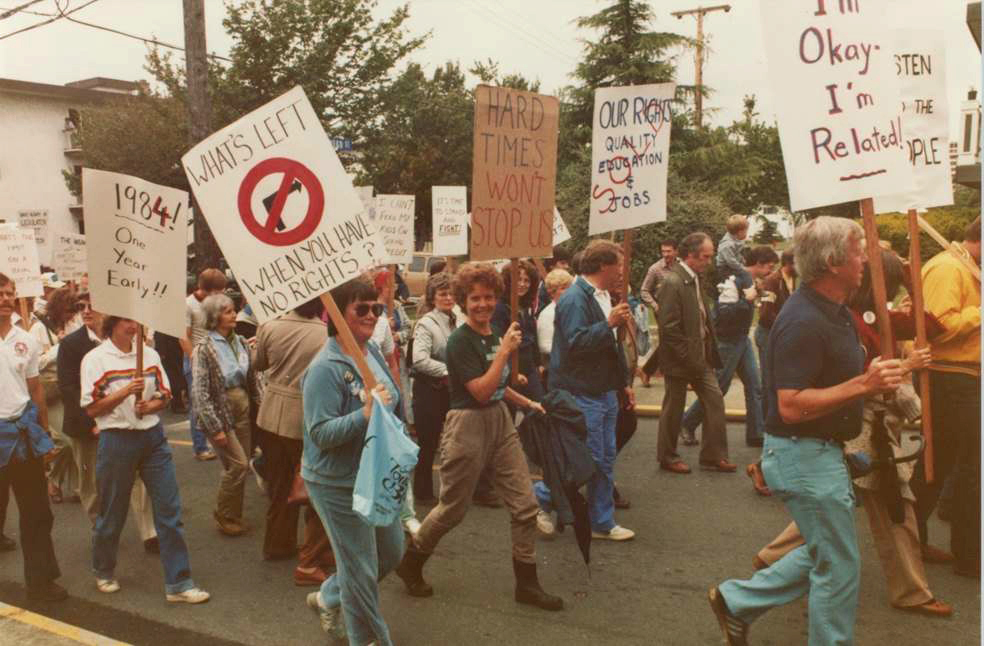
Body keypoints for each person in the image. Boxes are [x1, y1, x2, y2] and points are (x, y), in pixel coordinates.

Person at [708, 216, 903, 646]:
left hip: (819, 454)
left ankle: (736, 600)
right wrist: (864, 384)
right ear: (834, 262)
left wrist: (875, 374)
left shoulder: (832, 311)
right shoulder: (803, 320)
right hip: (803, 455)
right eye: (857, 252)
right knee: (838, 566)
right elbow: (791, 406)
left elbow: (831, 378)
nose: (864, 260)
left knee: (829, 555)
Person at [752, 249, 953, 618]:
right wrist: (906, 367)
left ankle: (772, 558)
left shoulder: (876, 317)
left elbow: (931, 324)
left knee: (839, 504)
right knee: (888, 506)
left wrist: (912, 281)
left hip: (866, 428)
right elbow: (864, 378)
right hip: (862, 428)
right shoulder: (848, 321)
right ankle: (910, 591)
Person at [396, 263, 563, 612]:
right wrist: (504, 352)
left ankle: (527, 584)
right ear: (462, 301)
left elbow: (499, 388)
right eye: (475, 299)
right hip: (467, 425)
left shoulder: (491, 335)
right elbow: (482, 392)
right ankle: (411, 560)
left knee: (524, 505)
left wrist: (529, 402)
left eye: (489, 297)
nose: (483, 304)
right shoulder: (461, 341)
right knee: (453, 509)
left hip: (499, 422)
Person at [301, 278, 406, 643]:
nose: (371, 315)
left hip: (374, 472)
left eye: (376, 308)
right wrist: (363, 414)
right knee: (361, 571)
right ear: (337, 314)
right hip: (336, 481)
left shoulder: (370, 351)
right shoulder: (325, 368)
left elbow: (390, 400)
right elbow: (320, 434)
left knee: (391, 553)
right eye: (361, 308)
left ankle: (330, 597)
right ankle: (372, 639)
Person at [81, 315, 209, 603]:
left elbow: (165, 395)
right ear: (113, 324)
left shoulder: (149, 354)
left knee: (169, 511)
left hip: (153, 437)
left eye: (138, 321)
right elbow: (91, 408)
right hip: (116, 439)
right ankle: (103, 569)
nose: (135, 326)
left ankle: (179, 583)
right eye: (128, 320)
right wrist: (126, 391)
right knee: (113, 511)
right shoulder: (95, 359)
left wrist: (151, 403)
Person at [57, 293, 158, 554]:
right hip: (86, 423)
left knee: (138, 478)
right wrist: (93, 421)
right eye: (82, 307)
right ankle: (99, 526)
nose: (87, 311)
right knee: (91, 482)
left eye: (93, 306)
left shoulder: (131, 343)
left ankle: (149, 531)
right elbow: (69, 389)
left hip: (125, 423)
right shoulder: (71, 344)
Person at [550, 240, 636, 541]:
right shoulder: (575, 299)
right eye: (619, 265)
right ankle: (541, 495)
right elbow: (575, 343)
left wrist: (623, 384)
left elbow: (611, 349)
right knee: (590, 459)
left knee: (605, 457)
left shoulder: (601, 296)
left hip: (604, 389)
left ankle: (602, 520)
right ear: (603, 266)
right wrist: (609, 324)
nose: (623, 271)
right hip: (583, 391)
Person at [910, 215, 981, 579]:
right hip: (950, 378)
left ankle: (912, 540)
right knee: (963, 468)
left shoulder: (967, 270)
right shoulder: (947, 269)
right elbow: (936, 328)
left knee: (942, 467)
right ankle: (969, 556)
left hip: (965, 378)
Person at [252, 297, 335, 585]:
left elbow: (258, 363)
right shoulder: (324, 334)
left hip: (270, 413)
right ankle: (315, 552)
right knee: (311, 484)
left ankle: (277, 544)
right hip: (304, 417)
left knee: (278, 484)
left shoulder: (269, 326)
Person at [0, 273, 65, 602]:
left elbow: (36, 389)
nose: (5, 298)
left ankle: (40, 582)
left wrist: (45, 432)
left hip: (24, 434)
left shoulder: (25, 339)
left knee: (37, 512)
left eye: (9, 293)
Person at [679, 246, 778, 448]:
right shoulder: (733, 279)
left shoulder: (749, 280)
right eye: (769, 266)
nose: (771, 271)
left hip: (741, 338)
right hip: (727, 340)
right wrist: (746, 300)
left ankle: (756, 433)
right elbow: (724, 312)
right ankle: (687, 422)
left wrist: (756, 294)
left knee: (754, 386)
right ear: (758, 264)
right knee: (719, 387)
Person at [656, 232, 736, 474]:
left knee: (715, 401)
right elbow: (668, 328)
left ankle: (713, 456)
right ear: (690, 256)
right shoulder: (673, 282)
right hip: (682, 359)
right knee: (674, 407)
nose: (709, 262)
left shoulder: (694, 278)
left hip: (699, 357)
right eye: (706, 257)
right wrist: (688, 357)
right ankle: (667, 457)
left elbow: (700, 317)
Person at [190, 294, 259, 537]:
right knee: (239, 464)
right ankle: (223, 513)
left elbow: (250, 378)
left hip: (243, 407)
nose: (234, 315)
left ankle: (233, 516)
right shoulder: (204, 348)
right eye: (228, 311)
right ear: (215, 317)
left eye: (233, 310)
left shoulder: (239, 341)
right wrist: (214, 427)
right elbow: (200, 392)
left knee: (239, 464)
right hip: (221, 411)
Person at [410, 272, 456, 503]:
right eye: (443, 294)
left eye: (451, 293)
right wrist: (448, 371)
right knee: (428, 444)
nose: (448, 298)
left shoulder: (456, 318)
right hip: (428, 391)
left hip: (450, 391)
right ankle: (422, 492)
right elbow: (419, 359)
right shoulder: (427, 324)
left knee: (452, 441)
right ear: (433, 297)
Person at [181, 268, 227, 461]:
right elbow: (183, 337)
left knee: (220, 401)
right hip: (195, 357)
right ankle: (200, 447)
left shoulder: (216, 304)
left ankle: (222, 443)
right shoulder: (188, 305)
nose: (222, 295)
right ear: (206, 289)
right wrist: (195, 360)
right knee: (198, 403)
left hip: (217, 355)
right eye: (219, 291)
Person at [492, 260, 544, 403]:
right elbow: (499, 342)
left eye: (526, 280)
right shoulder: (500, 309)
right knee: (512, 412)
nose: (522, 284)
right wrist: (512, 371)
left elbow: (532, 337)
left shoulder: (525, 307)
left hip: (530, 368)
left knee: (540, 409)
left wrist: (538, 363)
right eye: (518, 279)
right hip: (511, 369)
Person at [639, 239, 679, 314]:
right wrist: (655, 306)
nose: (665, 254)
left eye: (668, 251)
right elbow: (644, 290)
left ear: (676, 251)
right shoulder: (655, 269)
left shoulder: (682, 265)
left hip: (681, 309)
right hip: (663, 311)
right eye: (663, 251)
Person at [535, 246, 572, 314]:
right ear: (551, 265)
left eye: (567, 263)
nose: (567, 267)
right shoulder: (543, 288)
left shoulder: (571, 283)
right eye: (563, 263)